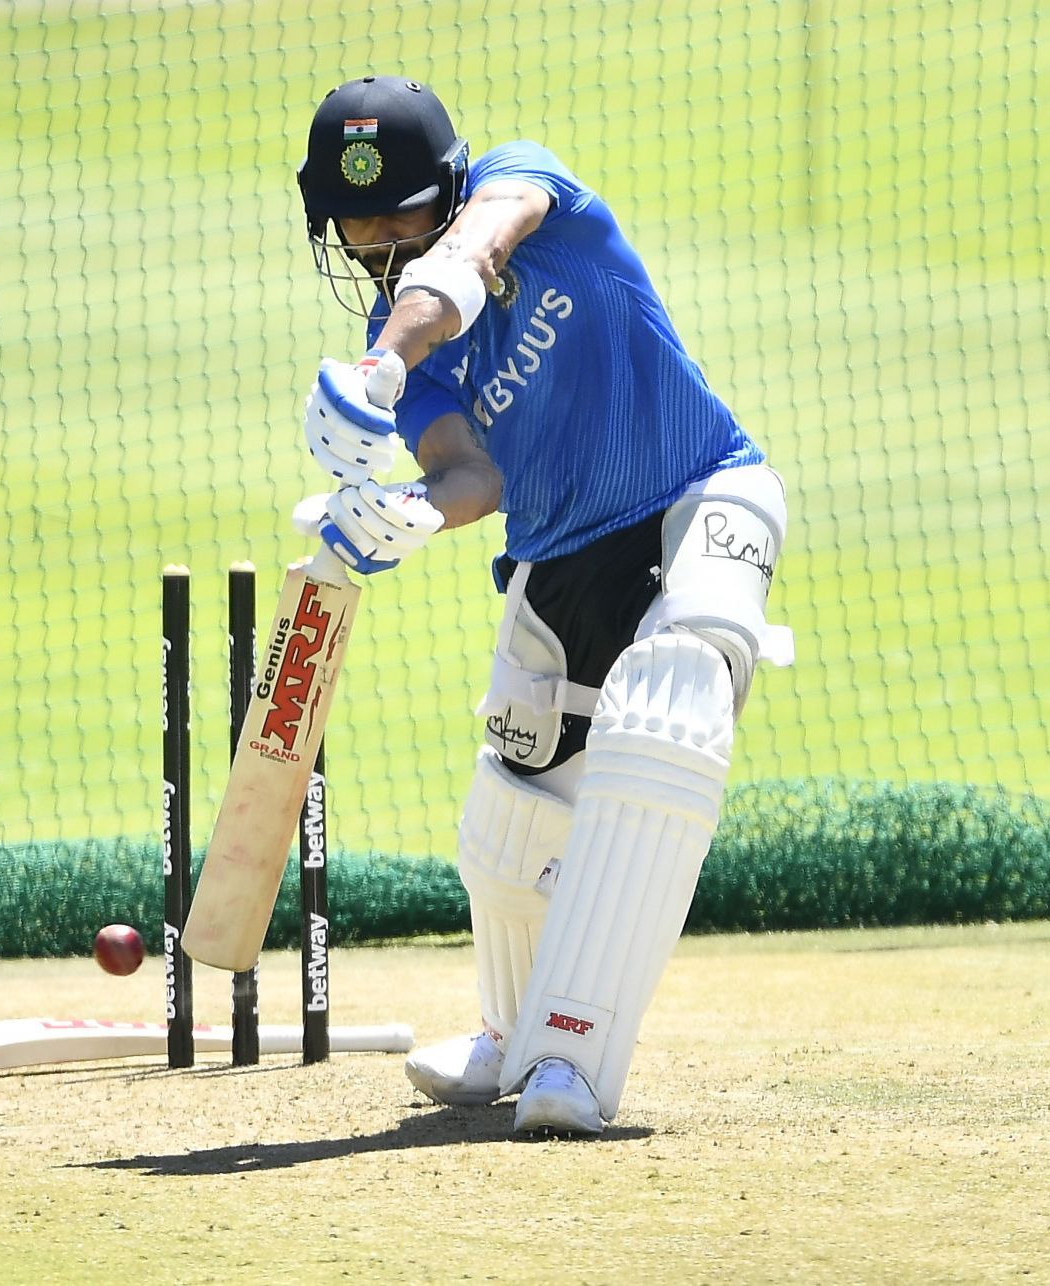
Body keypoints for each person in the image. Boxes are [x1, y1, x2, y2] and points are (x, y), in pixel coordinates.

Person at [291, 75, 793, 1137]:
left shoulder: (523, 184)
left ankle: (574, 1054)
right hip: (558, 551)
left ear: (450, 183)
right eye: (357, 224)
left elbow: (470, 256)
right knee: (513, 818)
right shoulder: (405, 337)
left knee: (674, 698)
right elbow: (471, 472)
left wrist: (383, 361)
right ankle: (513, 1033)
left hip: (697, 489)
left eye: (398, 215)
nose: (379, 243)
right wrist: (409, 514)